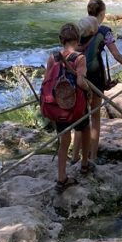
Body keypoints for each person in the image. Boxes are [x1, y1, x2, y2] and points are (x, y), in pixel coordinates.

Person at [73, 0, 122, 165]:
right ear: (102, 14)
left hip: (79, 76)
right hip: (95, 77)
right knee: (95, 119)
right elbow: (117, 55)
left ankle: (75, 158)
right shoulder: (104, 31)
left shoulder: (79, 29)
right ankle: (93, 157)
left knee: (81, 119)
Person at [44, 22, 92, 190]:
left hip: (58, 105)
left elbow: (46, 81)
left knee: (64, 140)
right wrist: (89, 90)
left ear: (60, 39)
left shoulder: (53, 57)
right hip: (76, 106)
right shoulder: (79, 58)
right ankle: (85, 164)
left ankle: (62, 177)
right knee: (85, 129)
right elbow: (80, 81)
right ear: (78, 39)